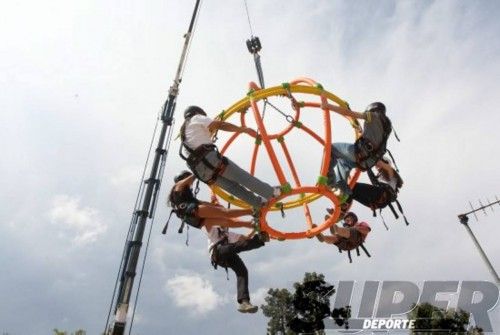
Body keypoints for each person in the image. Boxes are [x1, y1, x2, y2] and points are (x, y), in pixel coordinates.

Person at [180, 105, 280, 210]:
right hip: (210, 159)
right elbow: (219, 125)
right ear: (197, 112)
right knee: (241, 177)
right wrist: (242, 129)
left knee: (234, 188)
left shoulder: (186, 133)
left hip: (203, 173)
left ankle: (258, 203)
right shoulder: (196, 118)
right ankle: (272, 192)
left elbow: (208, 132)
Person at [321, 99, 392, 199]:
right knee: (343, 163)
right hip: (368, 161)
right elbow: (375, 140)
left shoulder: (372, 116)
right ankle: (342, 190)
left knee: (330, 148)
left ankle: (329, 182)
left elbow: (350, 113)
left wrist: (328, 106)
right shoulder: (387, 126)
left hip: (359, 153)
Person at [205, 226, 269, 313]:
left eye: (227, 227)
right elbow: (207, 224)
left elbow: (245, 238)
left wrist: (255, 229)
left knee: (242, 271)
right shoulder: (213, 230)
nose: (226, 227)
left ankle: (244, 302)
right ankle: (258, 240)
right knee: (230, 248)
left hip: (228, 255)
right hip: (218, 253)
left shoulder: (229, 234)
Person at [167, 170, 255, 230]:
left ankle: (250, 225)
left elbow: (200, 202)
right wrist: (199, 169)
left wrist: (214, 205)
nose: (192, 184)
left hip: (196, 221)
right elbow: (194, 175)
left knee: (226, 222)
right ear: (183, 178)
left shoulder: (182, 196)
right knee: (225, 213)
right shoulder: (178, 186)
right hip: (193, 212)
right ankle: (252, 211)